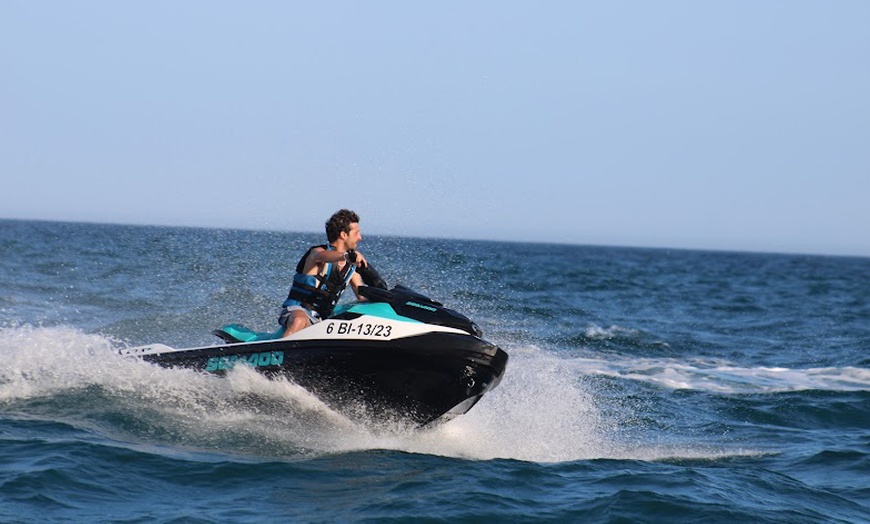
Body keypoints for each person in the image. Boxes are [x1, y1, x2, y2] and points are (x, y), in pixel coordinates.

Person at [279, 209, 370, 337]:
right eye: (357, 233)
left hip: (322, 320)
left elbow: (361, 296)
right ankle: (279, 353)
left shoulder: (350, 269)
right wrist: (346, 256)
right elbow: (320, 256)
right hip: (297, 311)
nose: (360, 238)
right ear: (344, 235)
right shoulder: (317, 253)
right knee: (300, 320)